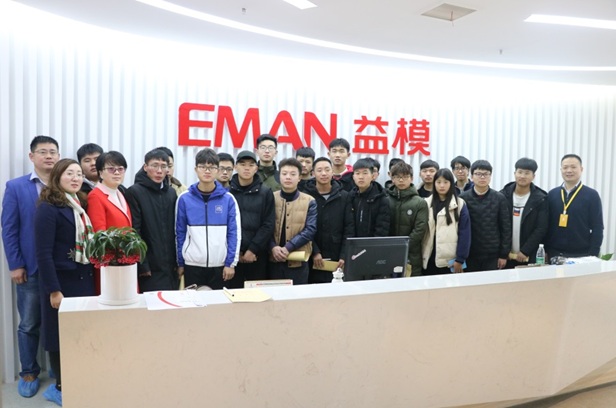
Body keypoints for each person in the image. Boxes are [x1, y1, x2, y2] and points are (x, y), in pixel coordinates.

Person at [2, 135, 60, 398]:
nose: (48, 156)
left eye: (53, 151)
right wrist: (15, 264)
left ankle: (61, 371)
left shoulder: (66, 184)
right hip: (31, 267)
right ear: (32, 156)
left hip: (61, 268)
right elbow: (9, 228)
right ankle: (28, 372)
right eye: (43, 151)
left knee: (59, 322)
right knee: (29, 323)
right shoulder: (16, 187)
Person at [34, 159, 95, 406]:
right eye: (70, 173)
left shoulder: (80, 204)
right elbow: (43, 253)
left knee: (79, 333)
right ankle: (61, 386)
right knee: (59, 337)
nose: (76, 178)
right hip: (61, 282)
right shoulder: (48, 207)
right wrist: (54, 290)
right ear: (58, 176)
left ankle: (78, 381)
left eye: (79, 174)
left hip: (83, 280)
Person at [176, 148, 241, 290]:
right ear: (195, 169)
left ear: (217, 170)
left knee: (219, 303)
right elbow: (179, 233)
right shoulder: (184, 199)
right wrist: (180, 263)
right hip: (192, 265)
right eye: (202, 167)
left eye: (211, 167)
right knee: (193, 303)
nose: (207, 171)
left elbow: (234, 234)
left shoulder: (228, 199)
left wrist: (230, 263)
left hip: (220, 266)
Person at [125, 148, 179, 292]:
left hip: (171, 267)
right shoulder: (134, 192)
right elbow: (135, 231)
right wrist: (142, 264)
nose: (159, 171)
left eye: (163, 166)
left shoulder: (171, 193)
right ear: (145, 167)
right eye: (155, 166)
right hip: (149, 268)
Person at [303, 157, 355, 283]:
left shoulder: (344, 196)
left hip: (337, 255)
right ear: (313, 173)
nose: (324, 173)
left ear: (332, 172)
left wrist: (344, 255)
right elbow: (302, 227)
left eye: (327, 170)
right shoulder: (305, 197)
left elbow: (349, 228)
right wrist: (315, 251)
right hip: (311, 257)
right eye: (319, 170)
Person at [86, 151, 132, 294]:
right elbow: (99, 235)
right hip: (110, 263)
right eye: (111, 169)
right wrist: (111, 259)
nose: (117, 173)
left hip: (126, 260)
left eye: (120, 169)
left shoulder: (119, 192)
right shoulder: (96, 196)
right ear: (100, 173)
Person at [228, 151, 275, 287]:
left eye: (251, 165)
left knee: (256, 295)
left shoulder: (265, 192)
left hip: (257, 256)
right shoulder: (227, 192)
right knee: (232, 294)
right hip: (232, 257)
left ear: (256, 168)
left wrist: (253, 249)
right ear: (236, 167)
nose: (247, 168)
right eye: (242, 164)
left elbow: (268, 224)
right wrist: (235, 253)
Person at [545, 154, 604, 260]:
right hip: (553, 253)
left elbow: (597, 227)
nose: (569, 170)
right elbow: (545, 225)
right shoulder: (552, 194)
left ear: (581, 169)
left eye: (573, 167)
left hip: (581, 255)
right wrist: (545, 250)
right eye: (565, 167)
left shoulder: (592, 195)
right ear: (561, 170)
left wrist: (592, 255)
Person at [269, 158, 317, 284]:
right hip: (273, 260)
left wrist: (288, 247)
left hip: (298, 262)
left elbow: (310, 229)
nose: (288, 177)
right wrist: (273, 247)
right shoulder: (270, 197)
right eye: (284, 174)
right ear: (279, 176)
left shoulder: (309, 201)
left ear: (299, 177)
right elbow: (264, 226)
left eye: (293, 174)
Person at [460, 160, 511, 272]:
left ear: (490, 176)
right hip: (470, 253)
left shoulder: (499, 198)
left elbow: (506, 228)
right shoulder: (463, 198)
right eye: (478, 174)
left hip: (492, 254)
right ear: (471, 176)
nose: (482, 177)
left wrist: (503, 254)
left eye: (486, 174)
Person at [500, 158, 548, 267]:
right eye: (520, 172)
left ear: (533, 176)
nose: (522, 176)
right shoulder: (503, 195)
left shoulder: (541, 199)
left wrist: (525, 250)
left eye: (527, 173)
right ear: (515, 173)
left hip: (529, 255)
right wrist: (503, 252)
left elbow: (541, 228)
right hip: (505, 256)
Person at [422, 169, 471, 275]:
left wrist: (460, 259)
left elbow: (464, 233)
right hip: (429, 256)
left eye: (445, 182)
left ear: (451, 184)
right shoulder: (426, 203)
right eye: (438, 182)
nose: (442, 185)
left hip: (450, 259)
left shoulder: (459, 204)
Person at [386, 162, 428, 276]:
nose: (401, 180)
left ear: (412, 178)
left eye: (405, 177)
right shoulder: (386, 200)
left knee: (411, 284)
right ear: (392, 179)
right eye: (397, 177)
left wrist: (403, 246)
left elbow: (420, 229)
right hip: (388, 252)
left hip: (411, 254)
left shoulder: (420, 202)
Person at [349, 158, 390, 237]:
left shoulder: (381, 198)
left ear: (372, 176)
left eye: (365, 173)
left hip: (372, 242)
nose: (361, 177)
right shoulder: (350, 197)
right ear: (353, 177)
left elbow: (382, 229)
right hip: (352, 242)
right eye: (357, 173)